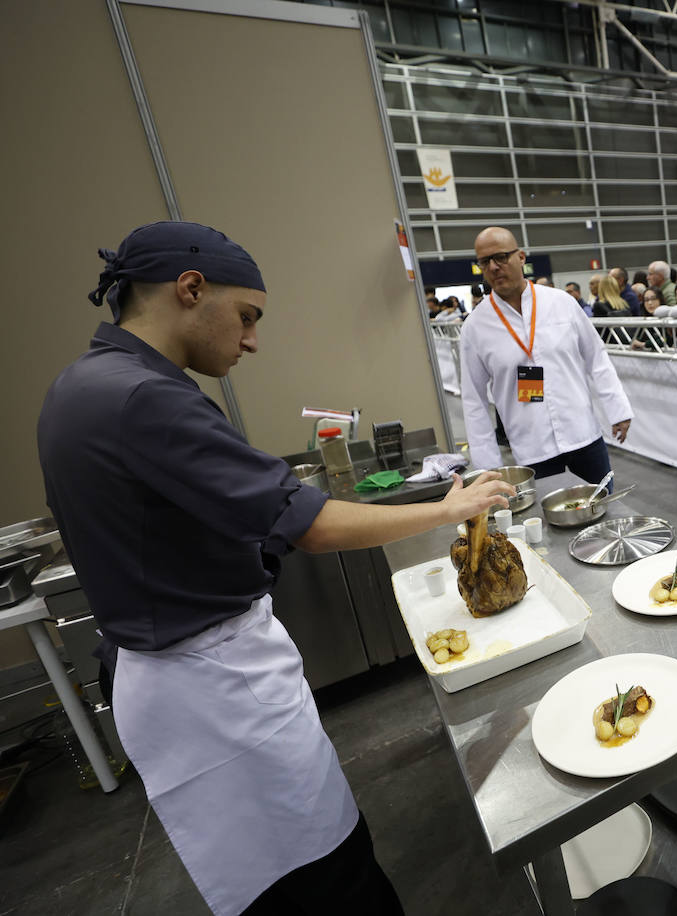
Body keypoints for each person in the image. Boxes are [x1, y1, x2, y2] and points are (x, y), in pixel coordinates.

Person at [36, 221, 516, 916]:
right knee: (325, 880)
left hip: (166, 680)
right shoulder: (145, 397)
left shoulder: (76, 387)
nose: (252, 339)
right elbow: (311, 523)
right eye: (247, 317)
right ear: (190, 288)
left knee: (272, 885)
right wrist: (448, 511)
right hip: (216, 690)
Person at [460, 226, 633, 482]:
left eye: (501, 257)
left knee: (603, 510)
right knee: (547, 517)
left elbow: (596, 357)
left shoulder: (560, 303)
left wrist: (617, 410)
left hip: (583, 434)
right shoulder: (475, 327)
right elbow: (473, 399)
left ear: (520, 257)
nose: (494, 267)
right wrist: (488, 467)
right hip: (532, 448)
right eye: (485, 262)